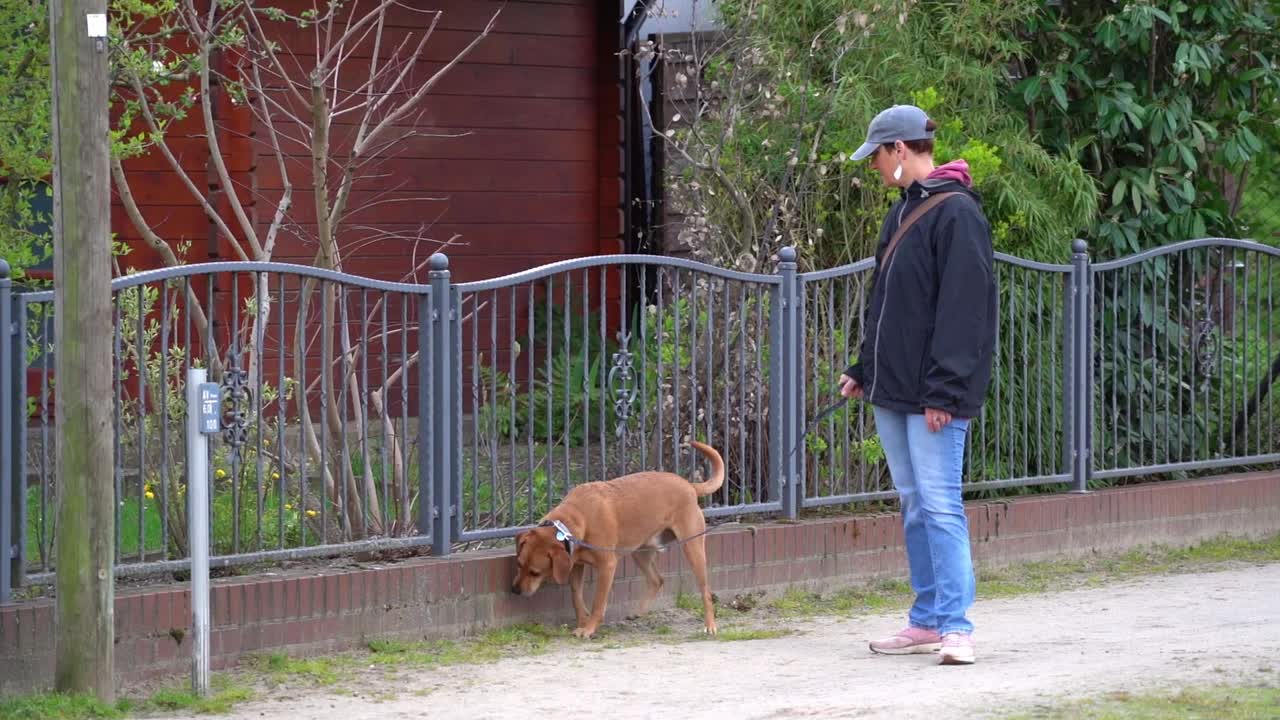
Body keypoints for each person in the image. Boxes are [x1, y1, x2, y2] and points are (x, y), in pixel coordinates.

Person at [839, 104, 997, 666]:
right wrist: (862, 369)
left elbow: (965, 313)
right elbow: (886, 304)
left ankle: (957, 627)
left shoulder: (958, 215)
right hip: (893, 388)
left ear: (899, 151)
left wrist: (945, 393)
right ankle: (927, 618)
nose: (875, 168)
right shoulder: (904, 210)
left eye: (877, 157)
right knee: (913, 505)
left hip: (933, 396)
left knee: (940, 504)